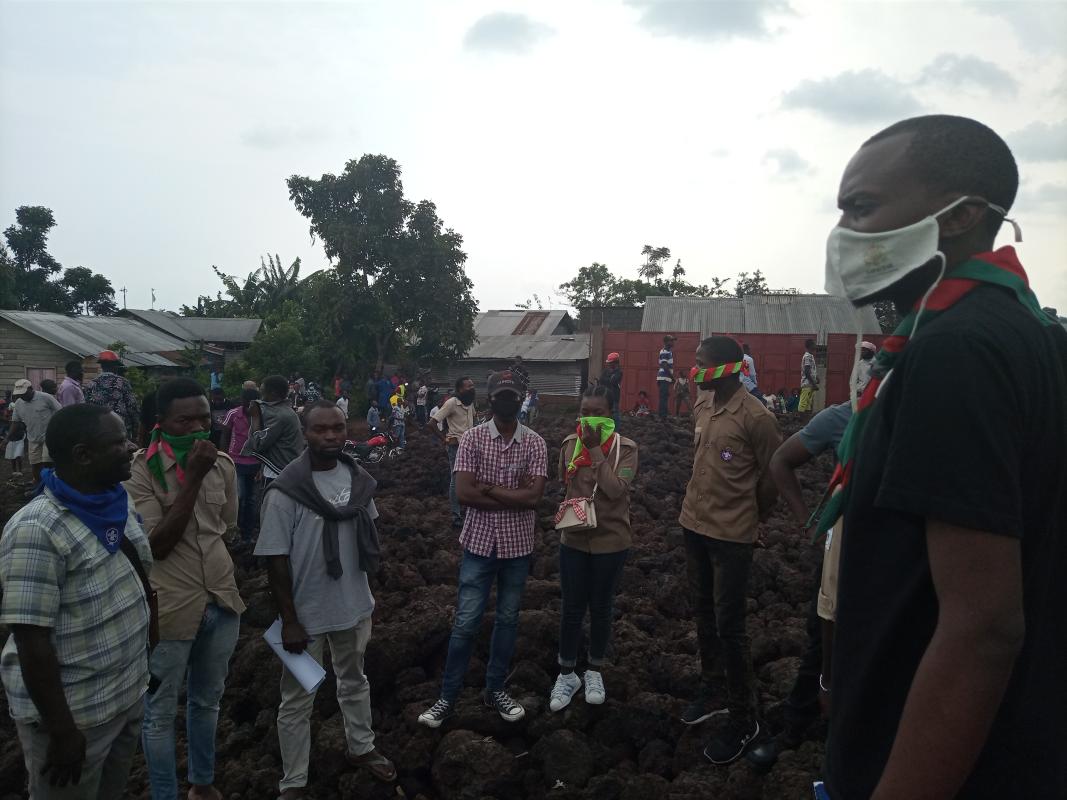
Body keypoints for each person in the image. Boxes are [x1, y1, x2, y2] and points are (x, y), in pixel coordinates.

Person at [818, 115, 1067, 799]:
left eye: (862, 208)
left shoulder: (952, 352)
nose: (842, 235)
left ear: (957, 216)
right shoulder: (1027, 332)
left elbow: (981, 626)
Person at [1, 404, 153, 800]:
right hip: (78, 714)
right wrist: (63, 731)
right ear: (83, 455)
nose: (131, 448)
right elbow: (30, 640)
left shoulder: (116, 500)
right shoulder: (37, 529)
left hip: (124, 695)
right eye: (118, 442)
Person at [255, 401, 396, 797]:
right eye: (321, 429)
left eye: (337, 428)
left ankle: (361, 747)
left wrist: (368, 594)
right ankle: (294, 781)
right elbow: (275, 560)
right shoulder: (286, 491)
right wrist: (290, 620)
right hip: (305, 614)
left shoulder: (360, 481)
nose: (331, 436)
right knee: (297, 699)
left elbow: (368, 539)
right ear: (305, 433)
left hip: (353, 606)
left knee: (354, 680)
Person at [126, 378, 243, 800]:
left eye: (203, 418)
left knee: (207, 701)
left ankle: (202, 784)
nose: (198, 427)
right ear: (161, 422)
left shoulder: (225, 465)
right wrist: (191, 479)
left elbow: (226, 527)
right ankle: (164, 794)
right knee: (158, 712)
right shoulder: (139, 470)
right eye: (184, 420)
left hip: (221, 599)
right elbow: (155, 544)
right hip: (168, 607)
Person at [418, 371, 548, 728]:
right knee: (465, 623)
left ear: (521, 397)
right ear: (491, 398)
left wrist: (488, 489)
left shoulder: (535, 443)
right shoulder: (472, 439)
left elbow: (534, 498)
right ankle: (448, 696)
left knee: (507, 621)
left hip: (517, 548)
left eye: (513, 394)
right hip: (478, 544)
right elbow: (463, 493)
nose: (507, 400)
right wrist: (512, 496)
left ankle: (495, 690)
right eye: (501, 395)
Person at [678, 336, 780, 765]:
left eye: (701, 364)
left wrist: (749, 517)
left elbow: (771, 477)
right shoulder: (702, 403)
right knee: (703, 613)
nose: (694, 370)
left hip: (732, 537)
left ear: (726, 368)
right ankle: (713, 686)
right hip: (694, 525)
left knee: (730, 626)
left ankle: (744, 717)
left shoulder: (757, 417)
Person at [748, 401, 853, 769]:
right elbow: (780, 460)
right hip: (847, 543)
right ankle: (797, 726)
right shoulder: (847, 416)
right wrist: (808, 523)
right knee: (822, 630)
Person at [549, 386, 638, 712]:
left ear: (610, 414)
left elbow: (615, 490)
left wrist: (595, 451)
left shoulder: (626, 449)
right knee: (571, 608)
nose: (589, 419)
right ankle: (567, 672)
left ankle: (595, 669)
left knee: (601, 606)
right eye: (585, 411)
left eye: (597, 412)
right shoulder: (569, 445)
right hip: (573, 540)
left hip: (611, 541)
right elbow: (564, 482)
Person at [427, 377, 478, 529]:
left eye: (473, 385)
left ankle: (469, 511)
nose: (472, 388)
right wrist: (444, 439)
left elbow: (474, 421)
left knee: (471, 478)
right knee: (456, 480)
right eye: (469, 386)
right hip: (455, 447)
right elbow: (431, 423)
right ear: (460, 389)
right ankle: (456, 516)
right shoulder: (451, 403)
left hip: (470, 447)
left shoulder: (470, 404)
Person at [244, 375, 305, 484]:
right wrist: (263, 468)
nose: (261, 396)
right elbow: (274, 445)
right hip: (280, 470)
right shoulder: (285, 411)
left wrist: (255, 416)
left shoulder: (280, 415)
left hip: (278, 474)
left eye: (263, 392)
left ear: (273, 394)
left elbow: (258, 444)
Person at [221, 388, 262, 542]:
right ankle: (234, 532)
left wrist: (262, 465)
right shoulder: (233, 414)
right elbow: (225, 435)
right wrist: (223, 458)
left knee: (251, 499)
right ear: (242, 401)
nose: (249, 406)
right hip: (235, 461)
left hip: (254, 462)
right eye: (247, 402)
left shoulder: (262, 417)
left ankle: (247, 534)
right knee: (239, 497)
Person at [11, 378, 62, 482]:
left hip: (49, 437)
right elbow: (16, 422)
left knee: (48, 463)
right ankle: (38, 486)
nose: (22, 396)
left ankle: (50, 486)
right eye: (20, 394)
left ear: (31, 388)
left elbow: (60, 412)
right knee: (35, 464)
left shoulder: (45, 397)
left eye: (24, 393)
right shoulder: (19, 404)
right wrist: (7, 438)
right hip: (33, 438)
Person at [84, 350, 140, 440]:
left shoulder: (91, 384)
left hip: (99, 432)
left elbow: (86, 410)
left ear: (102, 366)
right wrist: (135, 431)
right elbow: (132, 407)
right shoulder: (122, 382)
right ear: (115, 366)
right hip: (120, 430)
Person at [599, 353, 624, 426]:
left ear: (615, 362)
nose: (609, 364)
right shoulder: (606, 371)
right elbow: (601, 379)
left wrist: (607, 379)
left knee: (615, 414)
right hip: (604, 396)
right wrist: (608, 379)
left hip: (614, 397)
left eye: (610, 363)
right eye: (608, 363)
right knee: (604, 413)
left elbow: (613, 381)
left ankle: (616, 430)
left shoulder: (619, 372)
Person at [657, 335, 676, 420]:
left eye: (673, 341)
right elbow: (665, 366)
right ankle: (662, 417)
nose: (672, 343)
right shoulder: (665, 352)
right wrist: (672, 377)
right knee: (663, 398)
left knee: (664, 397)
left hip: (665, 377)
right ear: (665, 342)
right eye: (671, 341)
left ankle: (662, 416)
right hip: (664, 377)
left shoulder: (668, 352)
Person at [798, 340, 818, 415]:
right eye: (814, 344)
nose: (815, 346)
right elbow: (807, 372)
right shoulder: (807, 356)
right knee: (803, 403)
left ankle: (805, 420)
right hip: (807, 384)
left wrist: (816, 378)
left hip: (810, 384)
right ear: (810, 346)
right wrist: (814, 383)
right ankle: (799, 421)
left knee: (808, 404)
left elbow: (811, 370)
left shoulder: (811, 356)